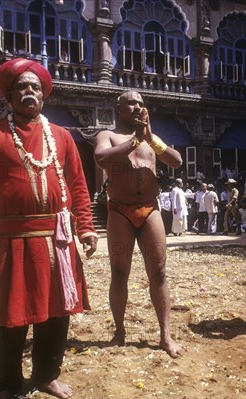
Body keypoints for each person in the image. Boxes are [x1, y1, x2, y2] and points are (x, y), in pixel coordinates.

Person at [0, 58, 98, 399]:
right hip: (13, 240)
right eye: (21, 87)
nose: (29, 92)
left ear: (43, 95)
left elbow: (79, 186)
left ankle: (46, 375)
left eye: (35, 87)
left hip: (58, 240)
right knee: (12, 312)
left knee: (56, 310)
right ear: (8, 96)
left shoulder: (63, 137)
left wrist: (86, 227)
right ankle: (6, 383)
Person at [93, 90, 184, 358]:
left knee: (159, 273)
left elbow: (176, 161)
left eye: (141, 103)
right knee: (119, 274)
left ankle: (165, 335)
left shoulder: (150, 139)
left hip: (150, 209)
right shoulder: (108, 135)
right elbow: (101, 159)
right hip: (119, 211)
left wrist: (150, 140)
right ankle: (119, 331)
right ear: (118, 108)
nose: (137, 107)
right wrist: (135, 141)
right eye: (131, 102)